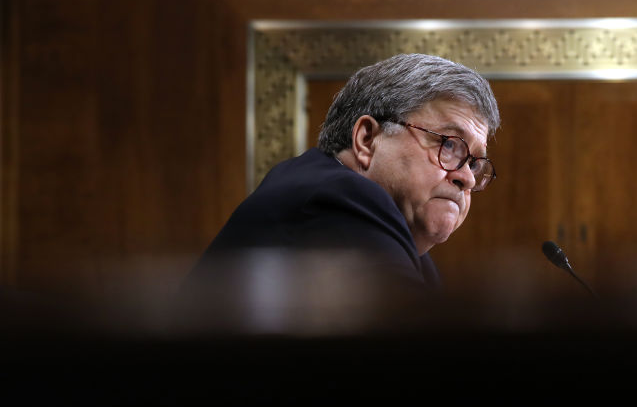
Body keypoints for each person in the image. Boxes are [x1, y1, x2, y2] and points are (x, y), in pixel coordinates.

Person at [182, 53, 501, 311]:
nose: (467, 177)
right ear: (367, 139)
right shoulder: (339, 201)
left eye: (475, 162)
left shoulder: (409, 250)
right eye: (449, 145)